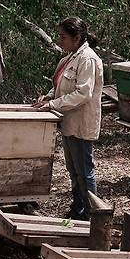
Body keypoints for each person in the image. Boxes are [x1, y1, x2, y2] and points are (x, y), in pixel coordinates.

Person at [33, 17, 103, 220]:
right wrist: (49, 96)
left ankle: (93, 216)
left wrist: (53, 104)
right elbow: (61, 85)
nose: (59, 40)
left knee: (84, 171)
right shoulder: (70, 57)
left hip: (81, 123)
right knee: (74, 170)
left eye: (63, 36)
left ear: (77, 37)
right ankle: (79, 209)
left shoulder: (88, 59)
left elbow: (83, 94)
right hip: (68, 123)